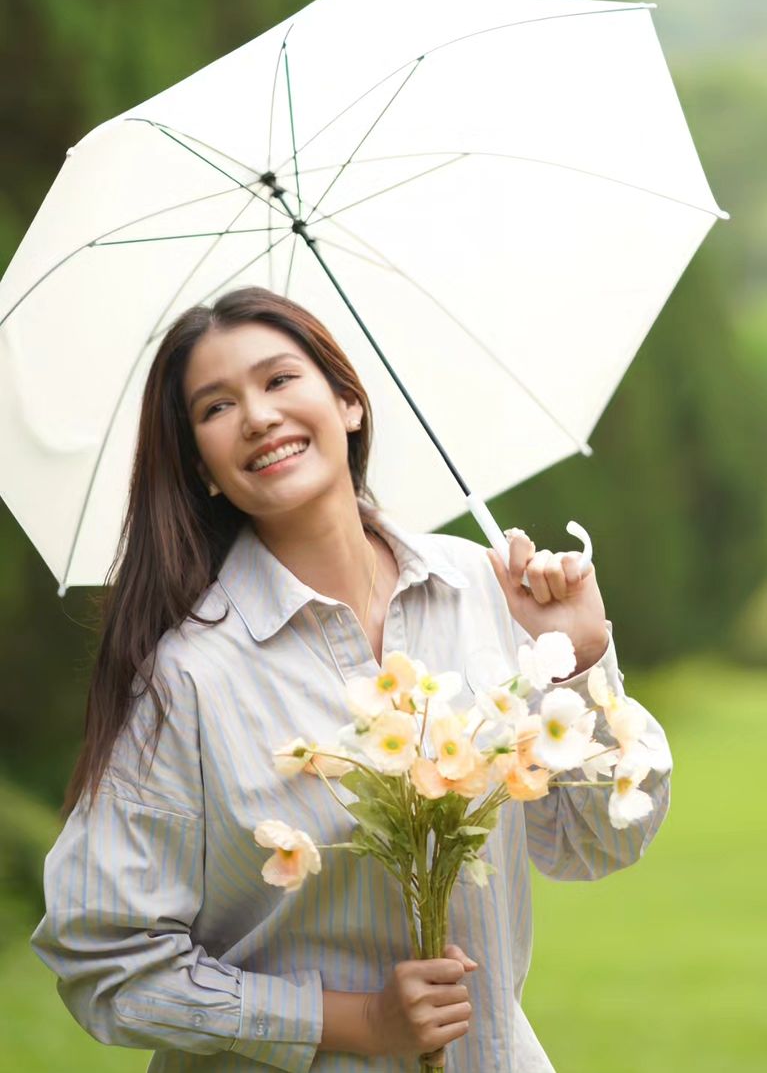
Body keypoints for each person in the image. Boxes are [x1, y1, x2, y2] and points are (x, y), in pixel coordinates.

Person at [32, 285, 671, 1072]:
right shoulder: (190, 677)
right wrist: (352, 1022)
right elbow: (106, 958)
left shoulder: (485, 589)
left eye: (278, 380)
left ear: (349, 403)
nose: (259, 416)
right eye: (216, 408)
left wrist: (576, 659)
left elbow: (598, 843)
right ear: (201, 467)